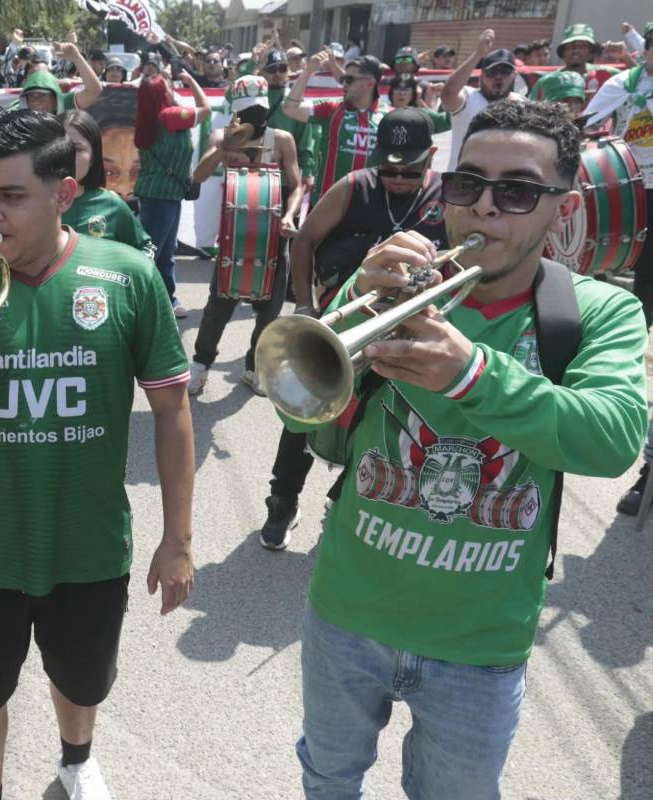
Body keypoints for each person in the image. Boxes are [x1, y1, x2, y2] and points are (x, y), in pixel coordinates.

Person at [286, 98, 646, 800]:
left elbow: (610, 438)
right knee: (328, 778)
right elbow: (307, 420)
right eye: (466, 184)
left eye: (515, 191)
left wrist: (474, 376)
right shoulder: (393, 287)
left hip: (480, 643)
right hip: (346, 613)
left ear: (562, 212)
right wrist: (354, 298)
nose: (483, 208)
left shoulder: (601, 313)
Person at [0, 108, 195, 800]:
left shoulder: (127, 276)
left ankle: (76, 756)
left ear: (64, 194)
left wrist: (177, 540)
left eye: (10, 197)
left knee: (81, 678)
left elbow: (173, 411)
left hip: (88, 543)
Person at [263, 108, 451, 549]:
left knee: (376, 422)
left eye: (411, 170)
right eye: (390, 168)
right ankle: (282, 499)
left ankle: (341, 498)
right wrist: (307, 304)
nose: (400, 179)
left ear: (432, 156)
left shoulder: (447, 195)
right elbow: (305, 239)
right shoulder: (355, 187)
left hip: (406, 334)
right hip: (341, 319)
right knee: (301, 412)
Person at [186, 74, 303, 397]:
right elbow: (198, 176)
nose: (253, 116)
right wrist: (224, 150)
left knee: (270, 310)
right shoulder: (222, 136)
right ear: (234, 110)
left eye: (257, 109)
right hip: (234, 233)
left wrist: (291, 216)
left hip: (273, 236)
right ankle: (201, 364)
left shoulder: (282, 140)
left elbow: (296, 187)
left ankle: (254, 368)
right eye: (246, 110)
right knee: (218, 306)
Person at [585, 28, 653, 329]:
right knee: (613, 246)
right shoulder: (622, 84)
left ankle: (644, 320)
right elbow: (589, 121)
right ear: (646, 50)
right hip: (628, 182)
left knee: (650, 260)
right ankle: (606, 315)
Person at [133, 69, 212, 317]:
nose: (172, 89)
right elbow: (206, 109)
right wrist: (192, 82)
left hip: (159, 194)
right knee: (156, 253)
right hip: (164, 196)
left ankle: (167, 298)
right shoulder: (171, 116)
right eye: (167, 86)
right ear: (161, 94)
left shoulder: (149, 118)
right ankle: (145, 302)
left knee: (162, 251)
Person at [282, 54, 387, 199]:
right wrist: (307, 72)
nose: (343, 84)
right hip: (325, 204)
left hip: (367, 208)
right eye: (343, 79)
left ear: (370, 83)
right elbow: (290, 108)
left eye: (349, 80)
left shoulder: (388, 117)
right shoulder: (331, 108)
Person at [60, 109, 155, 259]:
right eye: (61, 146)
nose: (68, 155)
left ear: (94, 156)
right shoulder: (34, 203)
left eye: (78, 148)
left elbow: (146, 247)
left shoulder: (111, 204)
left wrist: (129, 275)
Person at [441, 32, 528, 166]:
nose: (498, 77)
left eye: (505, 71)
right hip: (463, 181)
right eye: (491, 72)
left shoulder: (523, 105)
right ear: (481, 76)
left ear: (514, 75)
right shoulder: (468, 97)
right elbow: (447, 95)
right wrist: (477, 54)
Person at [529, 24, 618, 103]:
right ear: (562, 52)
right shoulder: (547, 81)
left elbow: (631, 82)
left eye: (582, 46)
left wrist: (626, 57)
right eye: (570, 46)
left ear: (591, 52)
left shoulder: (606, 73)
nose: (576, 50)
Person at [387, 73, 451, 132]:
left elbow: (447, 123)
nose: (401, 93)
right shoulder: (382, 111)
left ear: (414, 93)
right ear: (391, 92)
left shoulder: (422, 115)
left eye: (406, 89)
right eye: (398, 89)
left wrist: (446, 93)